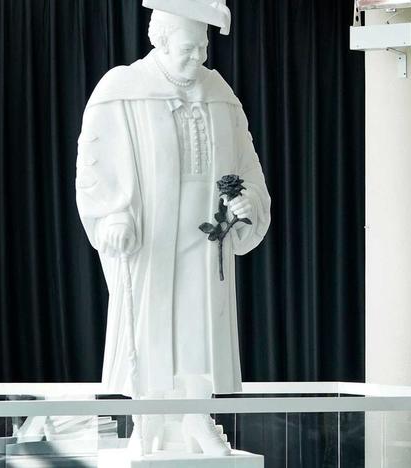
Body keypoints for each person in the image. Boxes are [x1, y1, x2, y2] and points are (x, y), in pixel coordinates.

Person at [75, 3, 271, 457]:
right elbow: (94, 166)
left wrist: (248, 205)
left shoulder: (220, 93)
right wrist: (114, 215)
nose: (198, 57)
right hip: (153, 237)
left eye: (203, 47)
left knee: (200, 326)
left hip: (205, 239)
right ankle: (151, 420)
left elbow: (247, 167)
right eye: (188, 48)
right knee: (153, 325)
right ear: (159, 39)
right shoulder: (121, 90)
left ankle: (196, 416)